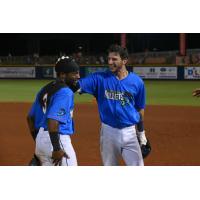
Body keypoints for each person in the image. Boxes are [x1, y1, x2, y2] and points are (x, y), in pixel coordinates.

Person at [77, 44, 149, 166]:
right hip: (108, 132)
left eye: (114, 59)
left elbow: (140, 110)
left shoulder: (137, 82)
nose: (110, 62)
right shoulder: (100, 78)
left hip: (130, 132)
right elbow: (77, 86)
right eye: (109, 59)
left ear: (124, 61)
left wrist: (141, 133)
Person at [27, 56, 80, 166]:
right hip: (57, 139)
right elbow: (53, 120)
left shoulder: (45, 88)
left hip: (40, 141)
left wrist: (39, 141)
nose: (78, 76)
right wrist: (56, 148)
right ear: (62, 75)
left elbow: (30, 118)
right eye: (74, 74)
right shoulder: (65, 92)